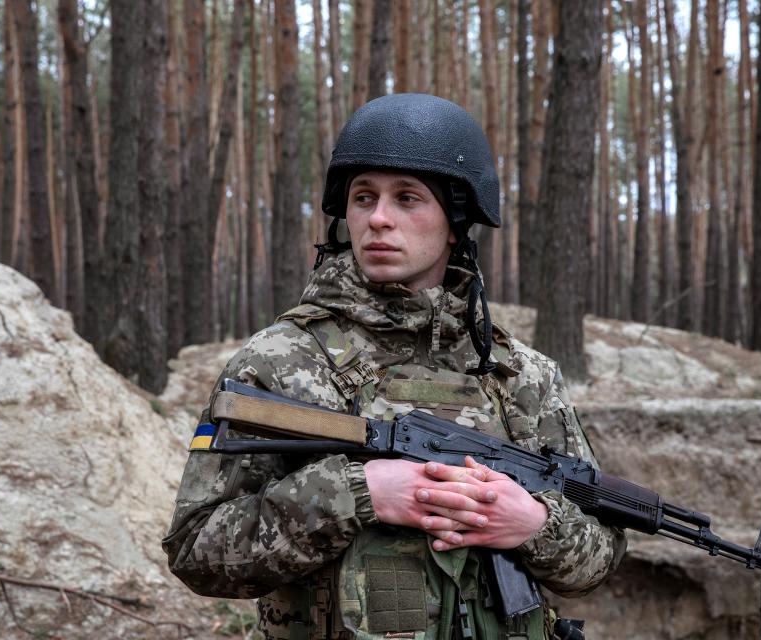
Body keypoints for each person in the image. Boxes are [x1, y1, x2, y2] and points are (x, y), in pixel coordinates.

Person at [162, 93, 625, 640]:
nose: (379, 219)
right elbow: (195, 549)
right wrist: (355, 494)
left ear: (455, 223)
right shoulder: (280, 361)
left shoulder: (522, 377)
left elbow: (602, 555)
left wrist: (534, 525)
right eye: (364, 198)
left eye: (408, 199)